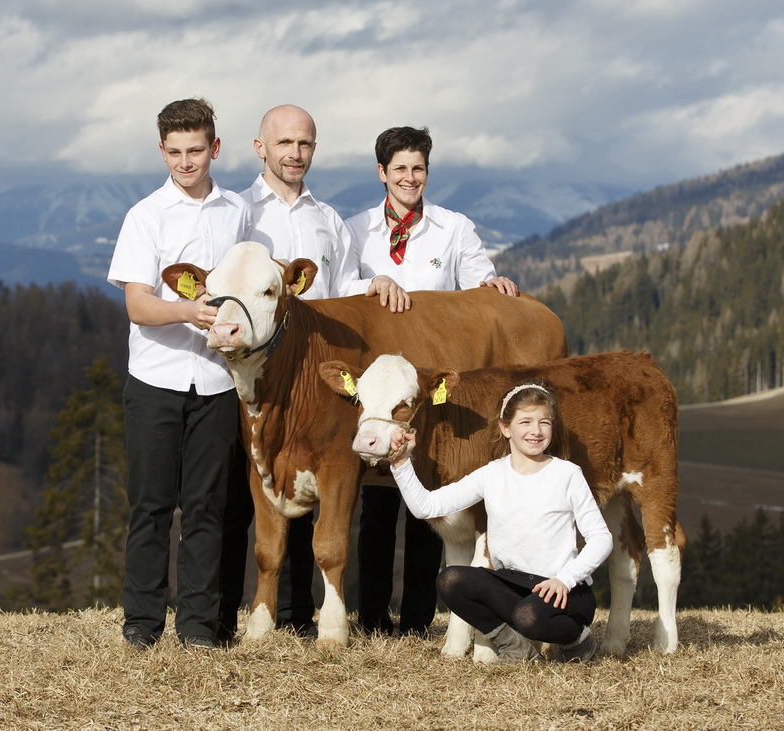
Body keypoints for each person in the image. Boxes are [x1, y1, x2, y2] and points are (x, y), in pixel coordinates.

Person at [218, 104, 410, 642]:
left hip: (315, 374)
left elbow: (347, 292)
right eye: (283, 143)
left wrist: (377, 284)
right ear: (261, 148)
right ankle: (228, 611)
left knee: (313, 483)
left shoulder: (328, 222)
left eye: (303, 144)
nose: (294, 154)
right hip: (257, 371)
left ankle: (299, 613)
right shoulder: (239, 214)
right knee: (253, 490)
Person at [344, 126, 518, 637]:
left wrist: (493, 285)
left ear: (427, 172)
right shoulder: (355, 230)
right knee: (376, 506)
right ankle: (373, 616)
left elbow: (476, 284)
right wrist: (368, 283)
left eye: (418, 168)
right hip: (380, 392)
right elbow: (336, 292)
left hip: (432, 394)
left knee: (431, 506)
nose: (409, 178)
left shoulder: (453, 227)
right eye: (399, 168)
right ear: (381, 173)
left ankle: (420, 617)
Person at [107, 98, 251, 650]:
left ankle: (198, 629)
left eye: (196, 151)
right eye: (175, 153)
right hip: (155, 381)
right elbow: (138, 306)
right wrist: (190, 311)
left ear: (215, 148)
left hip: (218, 382)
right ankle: (141, 625)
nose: (186, 163)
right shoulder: (145, 215)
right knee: (149, 507)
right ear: (161, 150)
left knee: (208, 510)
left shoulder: (237, 212)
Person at [387, 382, 613, 664]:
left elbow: (601, 538)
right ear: (505, 428)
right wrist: (401, 464)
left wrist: (565, 579)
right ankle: (514, 647)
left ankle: (578, 640)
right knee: (450, 580)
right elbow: (427, 507)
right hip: (511, 583)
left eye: (545, 422)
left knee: (529, 617)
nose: (536, 431)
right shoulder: (491, 475)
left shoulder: (567, 474)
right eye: (526, 422)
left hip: (565, 591)